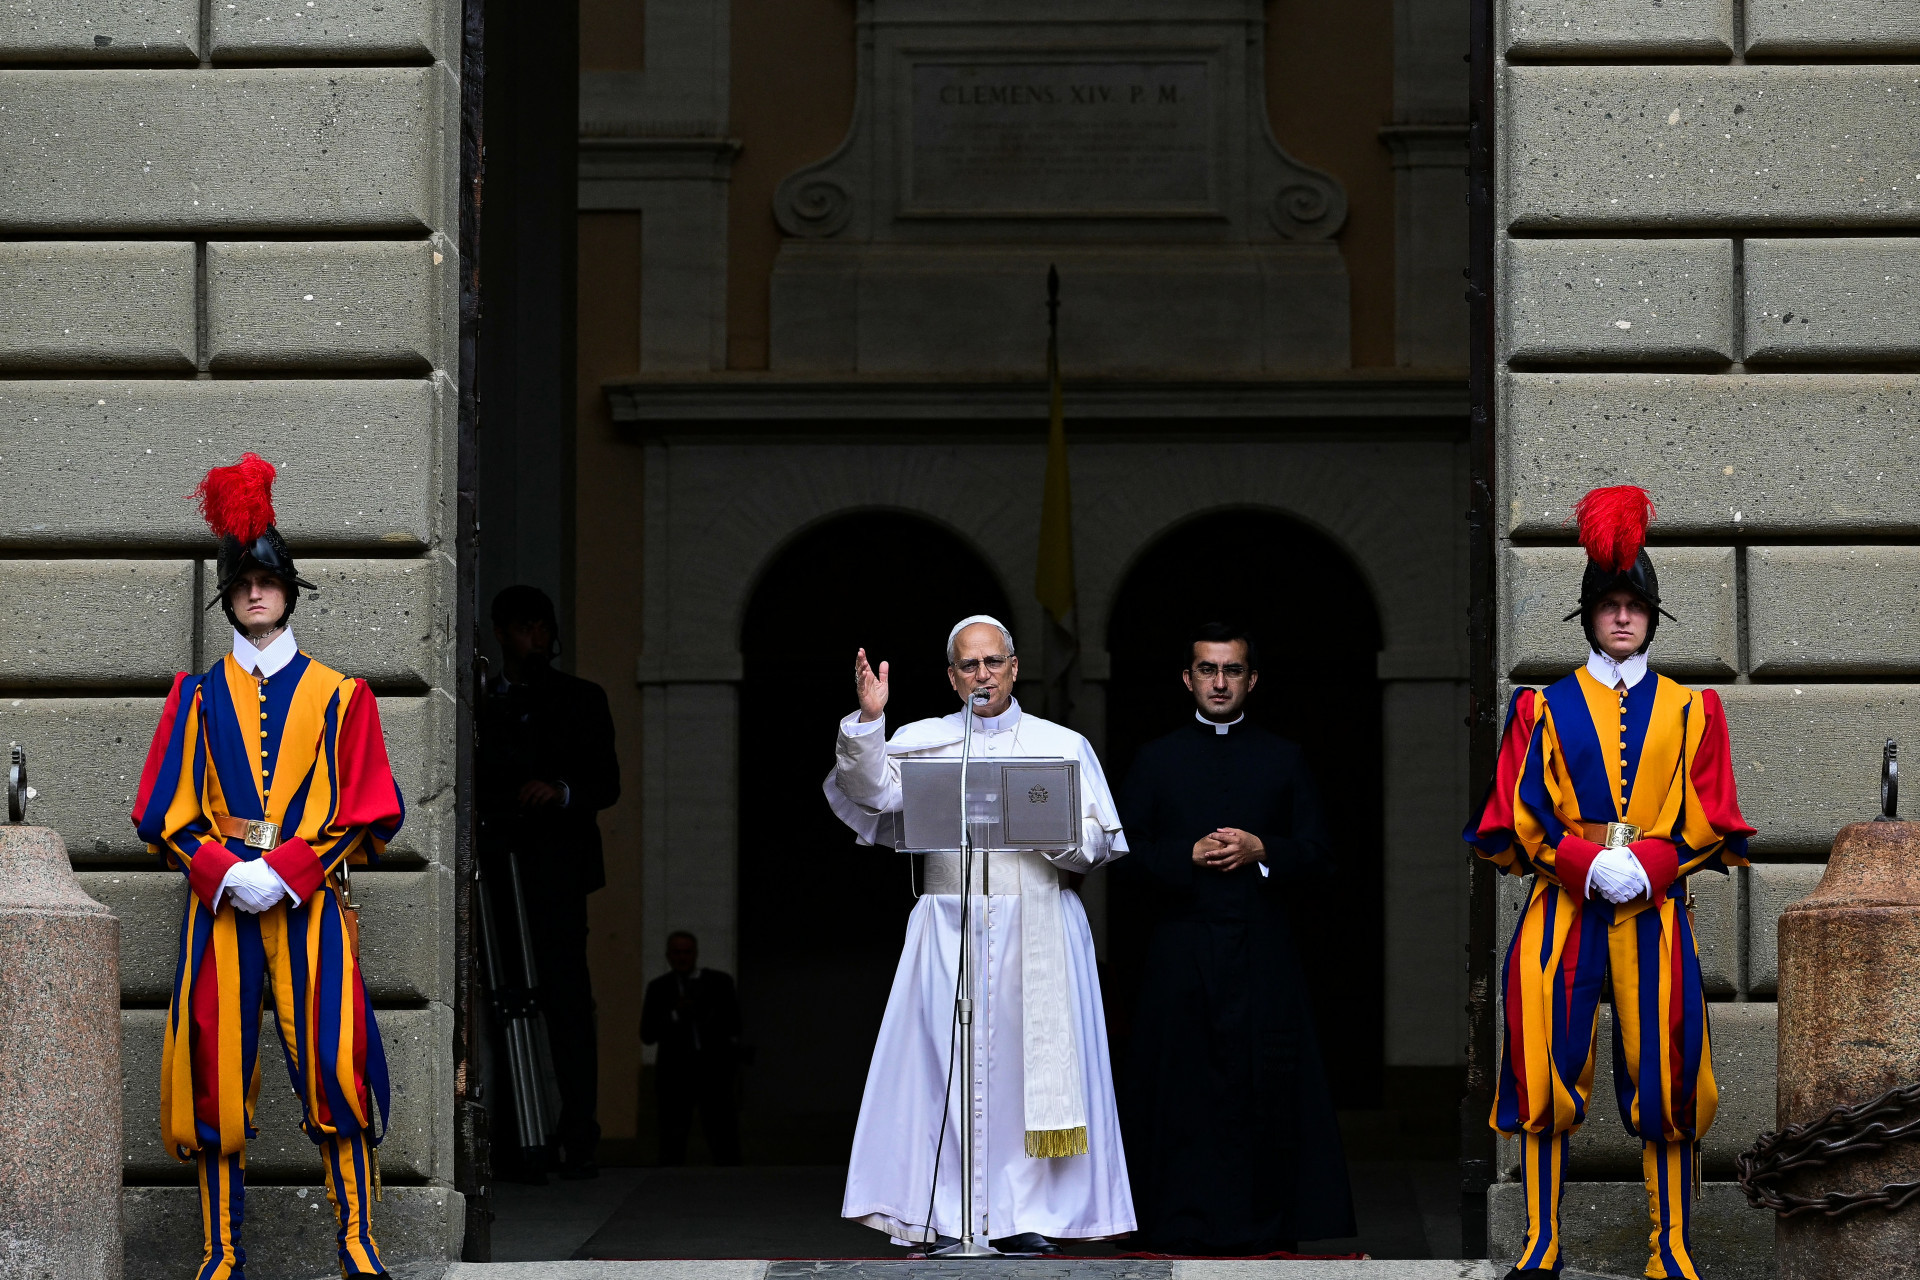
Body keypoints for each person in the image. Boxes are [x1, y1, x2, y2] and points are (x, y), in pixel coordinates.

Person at [1465, 485, 1754, 1280]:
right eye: (1609, 606)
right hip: (1562, 905)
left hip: (1654, 910)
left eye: (1634, 607)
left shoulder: (1693, 711)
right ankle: (1541, 1244)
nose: (1622, 617)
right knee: (1544, 1066)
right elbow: (1519, 811)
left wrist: (1650, 866)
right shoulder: (1542, 708)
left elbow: (1711, 814)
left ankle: (1672, 1249)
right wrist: (1587, 863)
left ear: (1651, 618)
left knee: (1668, 1075)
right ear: (1589, 616)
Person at [132, 452, 404, 1280]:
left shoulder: (342, 696)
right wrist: (224, 871)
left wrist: (285, 870)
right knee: (213, 1077)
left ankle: (358, 1244)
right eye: (244, 582)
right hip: (220, 908)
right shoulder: (194, 696)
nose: (256, 592)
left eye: (269, 581)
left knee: (336, 1065)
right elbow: (164, 815)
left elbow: (368, 808)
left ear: (289, 592)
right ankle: (221, 1254)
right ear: (227, 596)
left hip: (310, 902)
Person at [824, 615, 1135, 1254]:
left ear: (1014, 668)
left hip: (1038, 922)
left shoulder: (1061, 743)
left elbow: (1102, 841)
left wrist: (1052, 835)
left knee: (1022, 1076)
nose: (982, 675)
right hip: (947, 925)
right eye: (969, 665)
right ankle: (947, 1216)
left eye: (994, 662)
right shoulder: (923, 739)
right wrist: (869, 722)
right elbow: (871, 793)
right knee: (945, 1068)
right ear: (952, 676)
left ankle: (1029, 1216)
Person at [1116, 622, 1355, 1254]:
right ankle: (1177, 1222)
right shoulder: (1155, 759)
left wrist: (1263, 849)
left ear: (1251, 680)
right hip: (1181, 952)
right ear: (1187, 678)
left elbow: (1321, 856)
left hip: (1262, 952)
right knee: (1181, 1090)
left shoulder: (1284, 757)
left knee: (1263, 1089)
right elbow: (1122, 856)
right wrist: (1186, 855)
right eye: (1207, 669)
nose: (1219, 682)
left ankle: (1264, 1225)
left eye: (1232, 670)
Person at [478, 585, 621, 1179]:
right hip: (498, 869)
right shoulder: (483, 701)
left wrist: (560, 791)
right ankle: (516, 1136)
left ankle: (577, 1132)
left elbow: (606, 784)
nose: (536, 638)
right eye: (524, 628)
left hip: (557, 871)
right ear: (503, 633)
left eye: (543, 627)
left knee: (567, 1001)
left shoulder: (580, 698)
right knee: (502, 997)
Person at [639, 931, 743, 1164]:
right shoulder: (659, 988)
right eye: (677, 952)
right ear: (668, 956)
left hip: (713, 1071)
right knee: (672, 1139)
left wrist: (706, 1011)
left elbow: (734, 1024)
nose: (682, 958)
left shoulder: (718, 983)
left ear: (695, 954)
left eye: (686, 952)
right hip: (675, 1074)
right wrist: (676, 1014)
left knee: (723, 1136)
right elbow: (647, 1033)